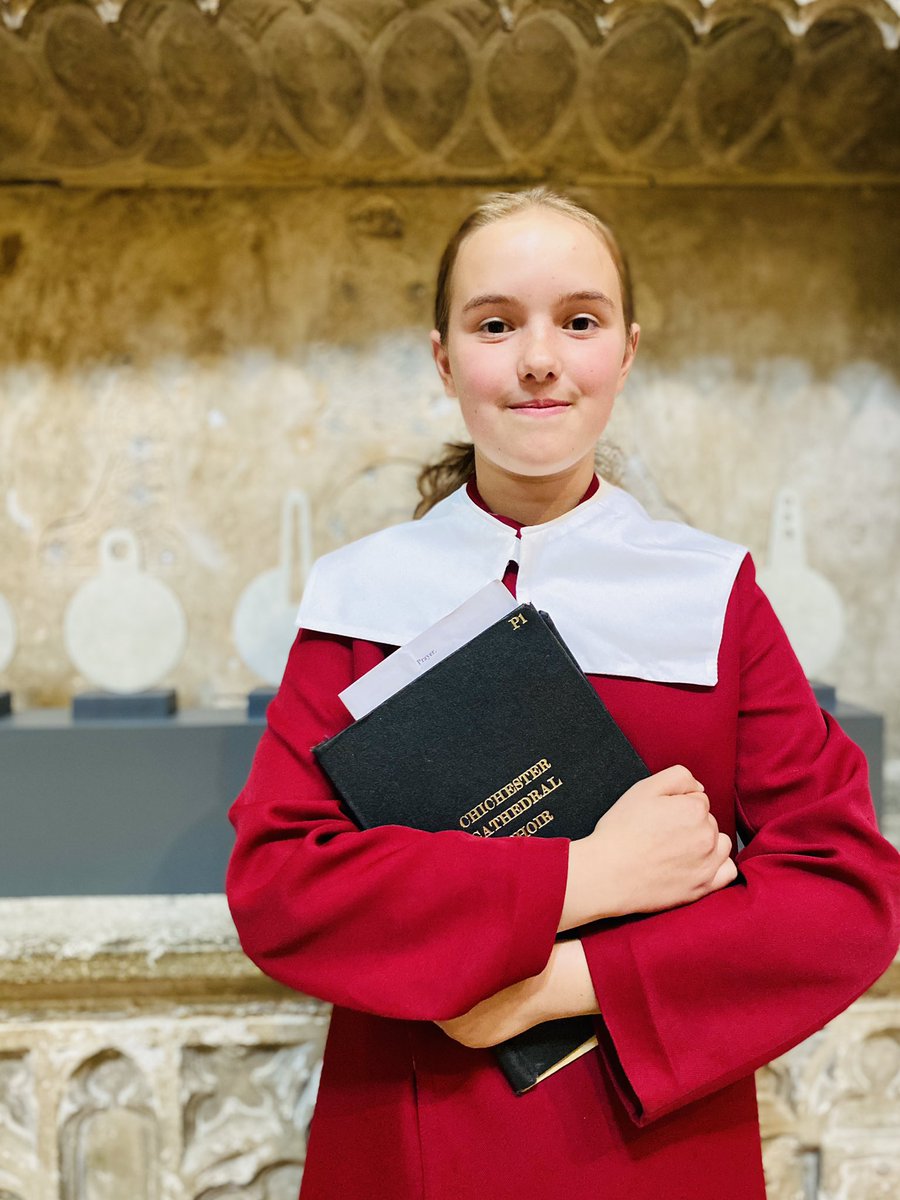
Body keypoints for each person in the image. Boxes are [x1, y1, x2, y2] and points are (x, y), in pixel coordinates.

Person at [226, 188, 900, 1200]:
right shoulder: (360, 598)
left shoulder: (712, 594)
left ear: (625, 352)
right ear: (444, 358)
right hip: (410, 1140)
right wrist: (585, 876)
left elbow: (841, 891)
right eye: (496, 324)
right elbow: (280, 885)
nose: (538, 357)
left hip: (653, 1140)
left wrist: (554, 987)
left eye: (578, 321)